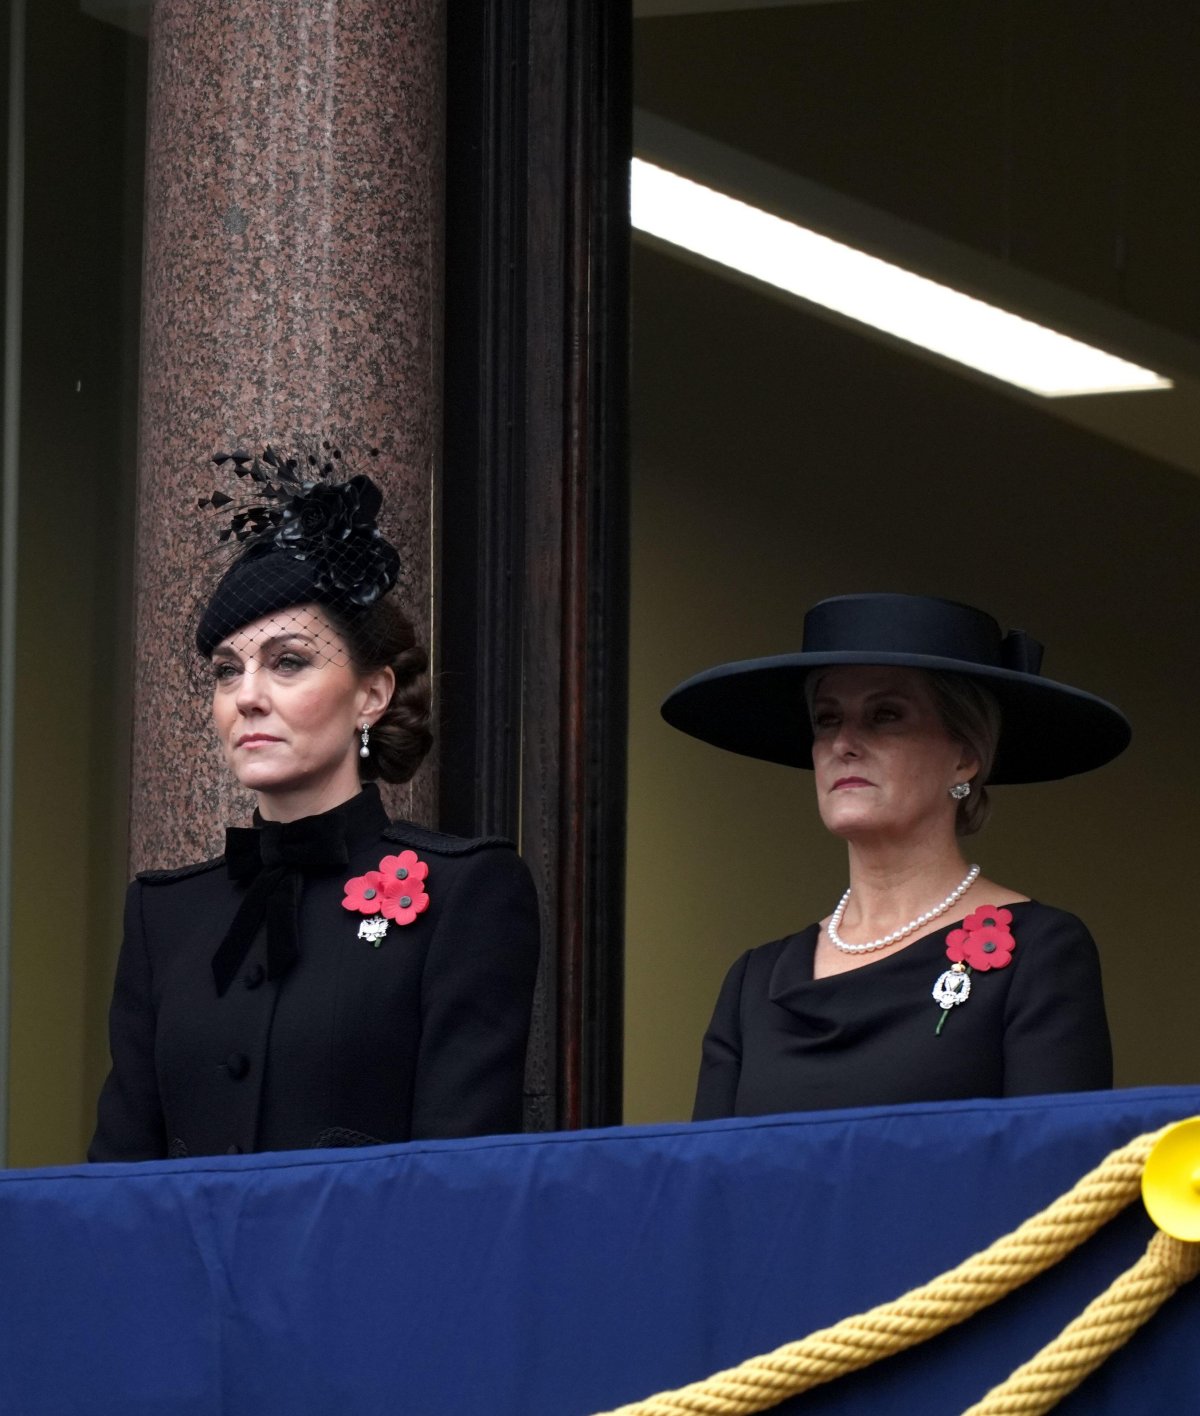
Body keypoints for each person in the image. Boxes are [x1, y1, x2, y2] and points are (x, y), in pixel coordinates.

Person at [90, 442, 540, 1160]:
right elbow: (118, 1178)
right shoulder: (163, 916)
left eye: (288, 662)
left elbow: (461, 1181)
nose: (248, 697)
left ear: (371, 694)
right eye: (226, 671)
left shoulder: (467, 893)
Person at [660, 592, 1130, 1120]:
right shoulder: (754, 980)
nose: (844, 743)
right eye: (826, 719)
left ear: (965, 757)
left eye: (885, 715)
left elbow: (1054, 1176)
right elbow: (708, 1184)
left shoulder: (1040, 953)